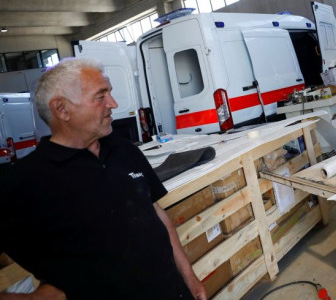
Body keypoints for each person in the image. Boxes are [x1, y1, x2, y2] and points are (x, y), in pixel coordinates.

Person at [0, 58, 206, 300]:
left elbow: (156, 213)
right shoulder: (25, 182)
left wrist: (189, 277)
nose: (113, 104)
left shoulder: (125, 151)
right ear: (62, 109)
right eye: (100, 96)